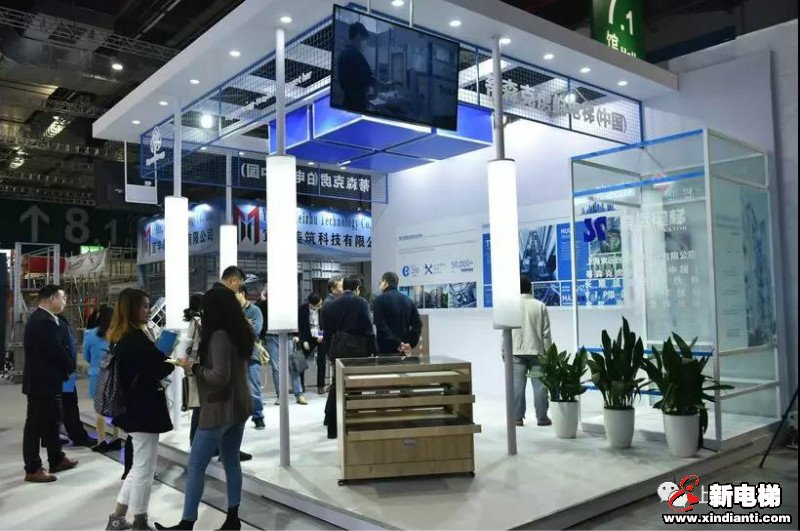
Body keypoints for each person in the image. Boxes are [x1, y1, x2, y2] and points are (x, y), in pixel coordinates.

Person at [155, 287, 255, 531]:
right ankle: (233, 518)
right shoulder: (241, 331)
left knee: (197, 464)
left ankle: (187, 522)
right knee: (231, 461)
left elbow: (219, 376)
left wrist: (193, 368)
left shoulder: (219, 335)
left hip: (219, 407)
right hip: (239, 406)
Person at [106, 288, 176, 531]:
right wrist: (168, 355)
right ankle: (139, 521)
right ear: (131, 309)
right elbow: (160, 368)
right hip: (143, 411)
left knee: (139, 467)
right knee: (145, 469)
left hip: (133, 409)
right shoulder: (135, 339)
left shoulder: (121, 336)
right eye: (144, 306)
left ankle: (117, 518)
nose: (148, 310)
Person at [22, 284, 78, 483]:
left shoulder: (47, 319)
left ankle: (56, 459)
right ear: (52, 299)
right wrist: (71, 365)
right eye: (63, 298)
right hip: (41, 383)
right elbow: (55, 350)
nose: (65, 302)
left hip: (50, 381)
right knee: (35, 426)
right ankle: (32, 468)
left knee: (53, 421)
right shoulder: (42, 321)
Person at [321, 275, 377, 439]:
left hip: (337, 349)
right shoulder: (361, 303)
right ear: (357, 288)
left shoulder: (330, 305)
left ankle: (332, 427)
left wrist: (331, 349)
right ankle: (353, 424)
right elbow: (368, 328)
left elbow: (327, 331)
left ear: (344, 286)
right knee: (355, 387)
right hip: (356, 351)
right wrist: (374, 349)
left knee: (336, 387)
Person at [510, 276, 552, 427]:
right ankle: (542, 418)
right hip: (537, 352)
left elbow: (505, 332)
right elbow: (546, 333)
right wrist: (548, 353)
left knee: (517, 387)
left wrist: (504, 351)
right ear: (530, 288)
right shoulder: (540, 306)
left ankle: (517, 418)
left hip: (516, 351)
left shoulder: (511, 306)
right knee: (540, 386)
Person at [84, 305, 122, 453]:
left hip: (97, 374)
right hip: (114, 374)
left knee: (99, 410)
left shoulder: (90, 334)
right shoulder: (119, 333)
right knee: (116, 407)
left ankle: (101, 441)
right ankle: (116, 438)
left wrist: (96, 364)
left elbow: (86, 355)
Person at [260, 286, 306, 406]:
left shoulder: (286, 303)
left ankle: (299, 393)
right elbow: (260, 314)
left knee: (293, 365)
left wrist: (296, 334)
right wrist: (263, 299)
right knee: (276, 368)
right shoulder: (265, 304)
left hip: (287, 336)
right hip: (270, 336)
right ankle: (281, 395)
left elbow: (293, 317)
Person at [57, 310, 97, 447]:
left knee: (66, 402)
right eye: (62, 299)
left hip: (66, 370)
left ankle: (56, 433)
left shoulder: (58, 320)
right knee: (69, 403)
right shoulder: (54, 322)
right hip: (65, 371)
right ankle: (78, 435)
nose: (64, 302)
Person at [236, 286, 266, 428]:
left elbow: (256, 331)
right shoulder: (231, 312)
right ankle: (237, 417)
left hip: (251, 354)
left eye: (234, 294)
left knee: (254, 388)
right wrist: (246, 323)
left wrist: (241, 323)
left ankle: (258, 416)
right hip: (234, 354)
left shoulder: (255, 310)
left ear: (242, 293)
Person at [373, 272, 423, 356]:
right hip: (403, 350)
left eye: (380, 282)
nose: (380, 284)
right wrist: (409, 343)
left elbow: (380, 325)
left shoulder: (379, 300)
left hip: (385, 349)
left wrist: (398, 344)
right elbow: (418, 324)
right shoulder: (408, 300)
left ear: (385, 282)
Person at [181, 293, 204, 444]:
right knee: (200, 405)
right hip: (198, 366)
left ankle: (194, 440)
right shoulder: (199, 321)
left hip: (192, 364)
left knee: (198, 404)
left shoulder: (192, 320)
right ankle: (195, 440)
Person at [316, 275, 343, 395]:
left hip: (331, 340)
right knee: (329, 365)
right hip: (331, 340)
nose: (343, 288)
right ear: (333, 288)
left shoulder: (334, 301)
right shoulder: (329, 303)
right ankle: (329, 388)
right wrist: (320, 336)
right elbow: (322, 324)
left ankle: (333, 387)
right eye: (341, 286)